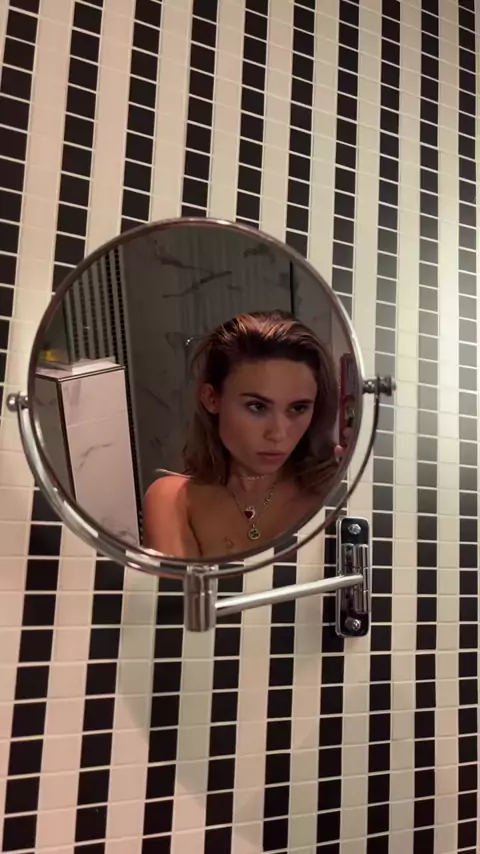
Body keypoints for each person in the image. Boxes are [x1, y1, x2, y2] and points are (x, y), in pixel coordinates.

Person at [143, 310, 340, 559]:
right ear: (212, 398)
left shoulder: (332, 493)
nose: (278, 434)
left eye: (298, 408)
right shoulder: (173, 501)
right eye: (257, 407)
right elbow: (177, 587)